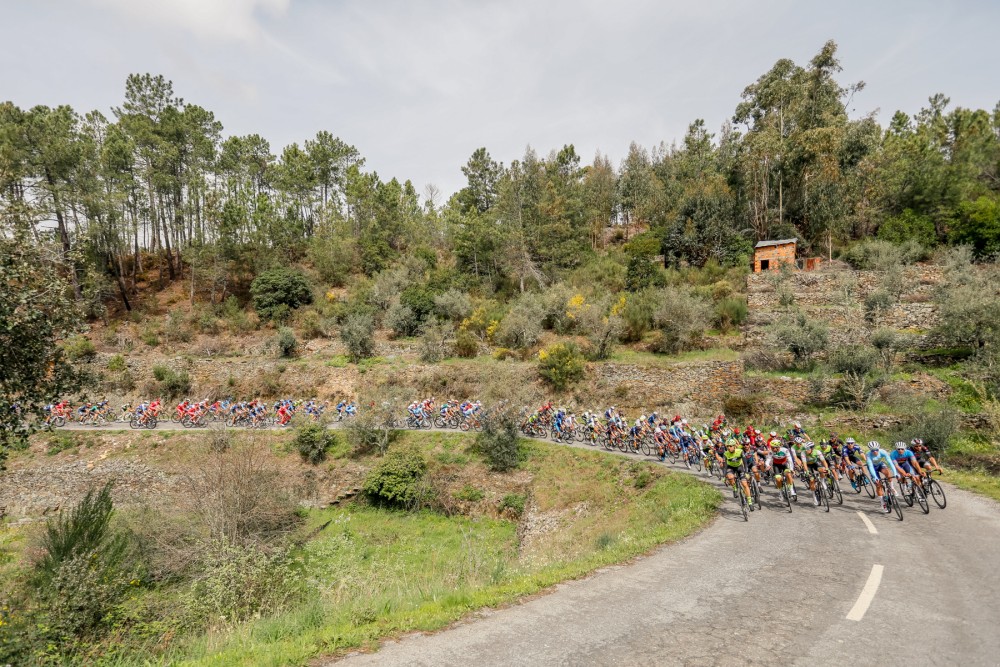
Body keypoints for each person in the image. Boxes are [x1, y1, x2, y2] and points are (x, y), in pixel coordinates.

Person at [718, 439, 754, 510]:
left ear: (734, 446)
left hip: (739, 467)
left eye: (730, 446)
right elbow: (724, 467)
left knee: (744, 484)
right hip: (730, 467)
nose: (729, 448)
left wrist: (746, 472)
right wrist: (724, 476)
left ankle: (750, 502)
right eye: (727, 446)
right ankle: (734, 488)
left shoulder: (740, 451)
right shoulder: (726, 453)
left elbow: (745, 463)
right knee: (730, 477)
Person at [865, 441, 898, 513]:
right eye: (873, 450)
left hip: (880, 465)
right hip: (873, 468)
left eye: (876, 450)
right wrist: (875, 477)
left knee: (887, 473)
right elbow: (870, 467)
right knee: (878, 485)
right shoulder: (868, 455)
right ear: (870, 450)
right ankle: (883, 503)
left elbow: (890, 462)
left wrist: (895, 472)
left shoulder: (883, 452)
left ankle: (892, 488)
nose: (875, 452)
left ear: (878, 449)